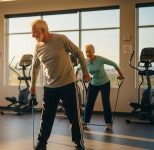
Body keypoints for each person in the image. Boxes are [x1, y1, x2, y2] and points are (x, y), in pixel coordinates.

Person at [30, 19, 91, 150]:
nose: (32, 35)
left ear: (43, 30)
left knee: (74, 116)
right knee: (46, 116)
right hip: (50, 87)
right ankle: (42, 143)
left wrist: (85, 73)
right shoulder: (37, 47)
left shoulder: (61, 39)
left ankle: (78, 144)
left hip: (68, 84)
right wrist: (33, 85)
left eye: (34, 32)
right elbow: (35, 67)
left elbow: (79, 53)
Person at [76, 44, 124, 131]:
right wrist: (74, 79)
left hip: (105, 83)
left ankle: (109, 123)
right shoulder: (85, 61)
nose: (88, 54)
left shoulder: (100, 59)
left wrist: (121, 75)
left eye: (90, 52)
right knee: (89, 102)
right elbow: (77, 68)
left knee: (106, 102)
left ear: (94, 51)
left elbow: (114, 64)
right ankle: (85, 121)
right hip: (93, 83)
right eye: (86, 52)